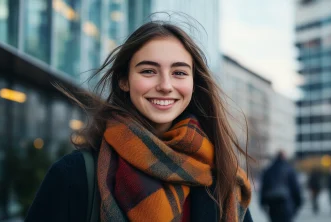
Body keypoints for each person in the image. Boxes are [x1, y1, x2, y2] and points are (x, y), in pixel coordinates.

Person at [25, 20, 253, 222]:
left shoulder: (223, 175)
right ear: (124, 80)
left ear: (194, 84)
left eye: (179, 73)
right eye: (148, 71)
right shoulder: (73, 175)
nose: (165, 85)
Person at [260, 151, 302, 222]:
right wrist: (298, 203)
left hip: (273, 206)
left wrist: (262, 203)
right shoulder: (290, 170)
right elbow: (295, 188)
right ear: (284, 157)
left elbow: (264, 188)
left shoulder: (269, 170)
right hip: (287, 205)